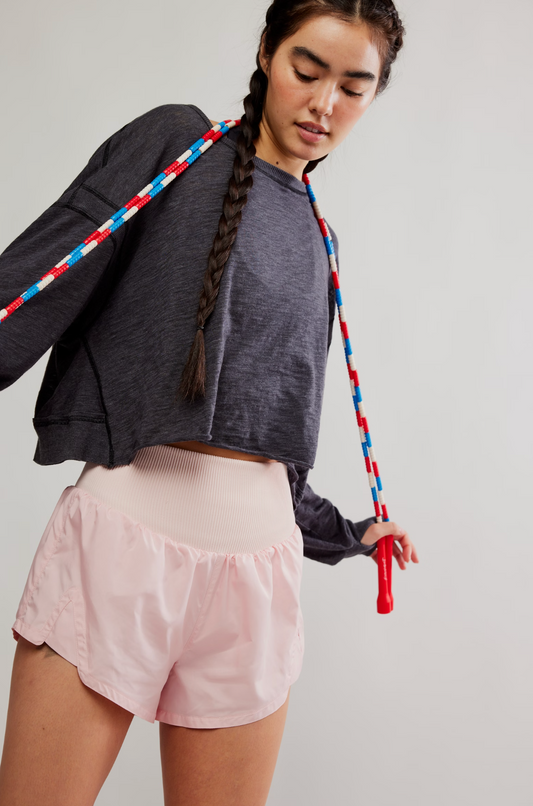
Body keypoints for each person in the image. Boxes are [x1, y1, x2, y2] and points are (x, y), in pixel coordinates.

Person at [0, 0, 419, 803]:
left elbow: (274, 432)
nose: (322, 104)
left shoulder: (321, 243)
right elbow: (38, 281)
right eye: (306, 69)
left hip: (256, 572)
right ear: (266, 51)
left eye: (352, 87)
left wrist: (348, 532)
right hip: (123, 543)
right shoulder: (176, 145)